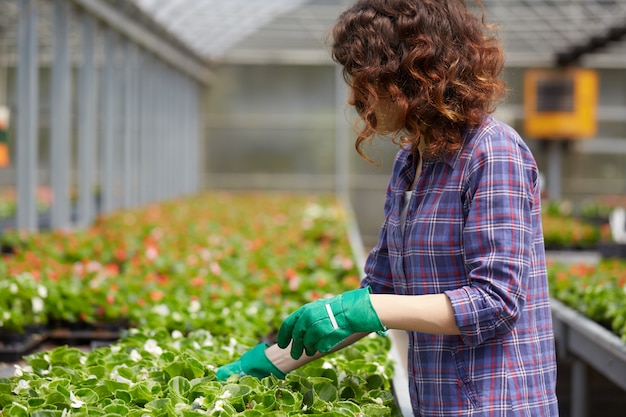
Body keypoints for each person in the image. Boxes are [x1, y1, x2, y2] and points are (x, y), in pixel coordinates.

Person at [217, 0, 559, 416]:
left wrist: (365, 309)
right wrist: (268, 364)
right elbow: (383, 289)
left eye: (364, 79)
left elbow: (496, 300)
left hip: (498, 404)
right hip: (437, 401)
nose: (354, 98)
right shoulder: (411, 163)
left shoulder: (492, 151)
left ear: (412, 75)